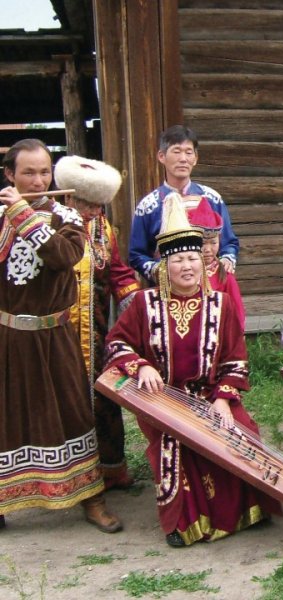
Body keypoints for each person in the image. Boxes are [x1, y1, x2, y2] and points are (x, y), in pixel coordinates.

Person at [105, 193, 280, 546]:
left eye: (193, 258)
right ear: (164, 267)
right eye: (179, 260)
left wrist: (222, 400)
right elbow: (116, 343)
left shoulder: (221, 304)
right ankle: (184, 522)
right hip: (165, 400)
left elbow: (236, 359)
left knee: (243, 433)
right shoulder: (144, 303)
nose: (187, 266)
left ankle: (246, 511)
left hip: (211, 395)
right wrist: (140, 366)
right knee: (178, 445)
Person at [0, 139, 121, 533]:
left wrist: (24, 216)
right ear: (9, 175)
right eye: (28, 173)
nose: (38, 180)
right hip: (7, 335)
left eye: (44, 172)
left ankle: (91, 497)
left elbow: (62, 258)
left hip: (55, 336)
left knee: (72, 412)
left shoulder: (68, 217)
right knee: (6, 416)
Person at [55, 155, 141, 490]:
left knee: (102, 397)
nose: (92, 211)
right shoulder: (50, 224)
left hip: (98, 328)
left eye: (97, 204)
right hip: (58, 332)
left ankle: (110, 468)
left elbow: (117, 271)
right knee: (64, 402)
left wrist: (137, 305)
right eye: (86, 204)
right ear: (68, 197)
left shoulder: (102, 229)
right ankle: (67, 478)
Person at [129, 125, 239, 283]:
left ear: (195, 158)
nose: (183, 159)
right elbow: (136, 254)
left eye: (188, 152)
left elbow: (229, 243)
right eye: (176, 151)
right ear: (161, 156)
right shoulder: (148, 206)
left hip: (211, 287)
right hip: (165, 291)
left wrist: (227, 260)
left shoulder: (212, 198)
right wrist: (159, 271)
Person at [188, 196, 246, 330]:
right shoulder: (185, 273)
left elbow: (237, 310)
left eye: (213, 243)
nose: (208, 249)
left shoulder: (224, 274)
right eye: (202, 243)